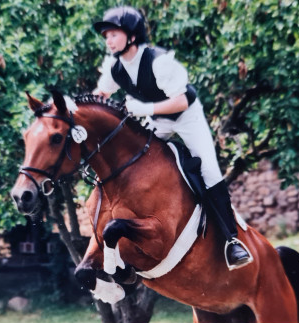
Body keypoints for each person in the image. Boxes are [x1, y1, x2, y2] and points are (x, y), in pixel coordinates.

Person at [92, 5, 252, 270]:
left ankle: (232, 241)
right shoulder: (114, 67)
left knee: (210, 171)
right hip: (157, 121)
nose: (108, 40)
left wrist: (147, 109)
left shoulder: (159, 61)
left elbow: (182, 101)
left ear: (131, 36)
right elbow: (101, 95)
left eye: (113, 34)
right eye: (106, 36)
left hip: (187, 117)